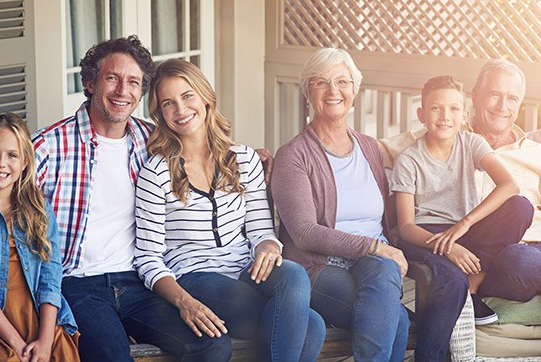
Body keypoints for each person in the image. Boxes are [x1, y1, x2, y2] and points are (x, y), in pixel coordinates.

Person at [31, 36, 229, 362]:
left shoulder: (152, 140)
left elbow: (202, 147)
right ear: (91, 82)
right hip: (78, 285)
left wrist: (250, 156)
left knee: (211, 343)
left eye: (133, 82)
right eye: (112, 78)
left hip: (140, 283)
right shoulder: (48, 145)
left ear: (141, 92)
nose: (123, 91)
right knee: (112, 355)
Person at [134, 58, 325, 362]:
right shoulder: (156, 172)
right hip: (196, 277)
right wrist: (182, 301)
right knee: (312, 326)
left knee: (294, 275)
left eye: (187, 96)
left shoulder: (244, 158)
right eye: (168, 103)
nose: (181, 110)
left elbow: (262, 230)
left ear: (206, 97)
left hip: (244, 267)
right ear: (159, 114)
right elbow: (147, 258)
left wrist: (266, 247)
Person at [271, 48, 410, 362]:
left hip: (375, 263)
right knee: (398, 321)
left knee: (385, 272)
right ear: (308, 91)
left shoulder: (371, 147)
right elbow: (305, 233)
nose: (333, 91)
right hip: (320, 265)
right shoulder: (294, 155)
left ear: (354, 91)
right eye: (321, 82)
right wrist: (375, 247)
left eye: (342, 82)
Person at [390, 76, 534, 362]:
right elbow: (406, 227)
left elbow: (510, 186)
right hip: (425, 235)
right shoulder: (409, 160)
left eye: (454, 109)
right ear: (421, 114)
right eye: (436, 109)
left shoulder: (472, 144)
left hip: (463, 230)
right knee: (452, 281)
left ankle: (475, 280)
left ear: (465, 115)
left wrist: (464, 225)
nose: (445, 117)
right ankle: (428, 356)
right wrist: (449, 246)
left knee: (521, 207)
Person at [380, 59, 541, 303]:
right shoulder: (447, 132)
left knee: (523, 256)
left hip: (522, 250)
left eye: (512, 98)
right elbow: (379, 149)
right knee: (521, 260)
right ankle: (468, 291)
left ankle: (473, 285)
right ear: (474, 96)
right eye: (494, 95)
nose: (502, 106)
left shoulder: (534, 152)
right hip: (466, 244)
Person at [0, 113, 80, 362]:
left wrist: (45, 340)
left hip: (43, 317)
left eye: (12, 155)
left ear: (25, 162)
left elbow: (51, 277)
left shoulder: (39, 210)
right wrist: (19, 346)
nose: (1, 163)